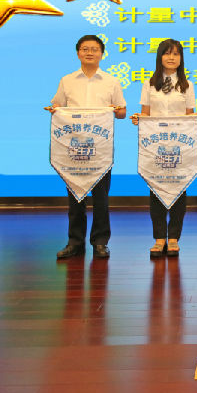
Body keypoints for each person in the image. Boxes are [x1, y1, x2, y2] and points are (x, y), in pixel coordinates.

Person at [48, 35, 126, 260]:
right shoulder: (67, 80)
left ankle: (100, 242)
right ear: (78, 53)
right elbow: (57, 105)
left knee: (101, 199)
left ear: (102, 54)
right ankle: (75, 242)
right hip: (74, 149)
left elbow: (122, 112)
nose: (89, 52)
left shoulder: (111, 81)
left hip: (100, 150)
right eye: (85, 49)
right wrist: (55, 110)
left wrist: (114, 110)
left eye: (94, 49)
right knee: (76, 198)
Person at [131, 39, 197, 258]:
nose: (171, 58)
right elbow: (146, 113)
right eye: (167, 53)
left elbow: (189, 114)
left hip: (179, 146)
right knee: (155, 190)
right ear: (160, 57)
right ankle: (159, 238)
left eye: (176, 54)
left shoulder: (187, 85)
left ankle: (173, 238)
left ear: (181, 58)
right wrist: (139, 119)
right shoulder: (149, 84)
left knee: (179, 189)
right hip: (155, 146)